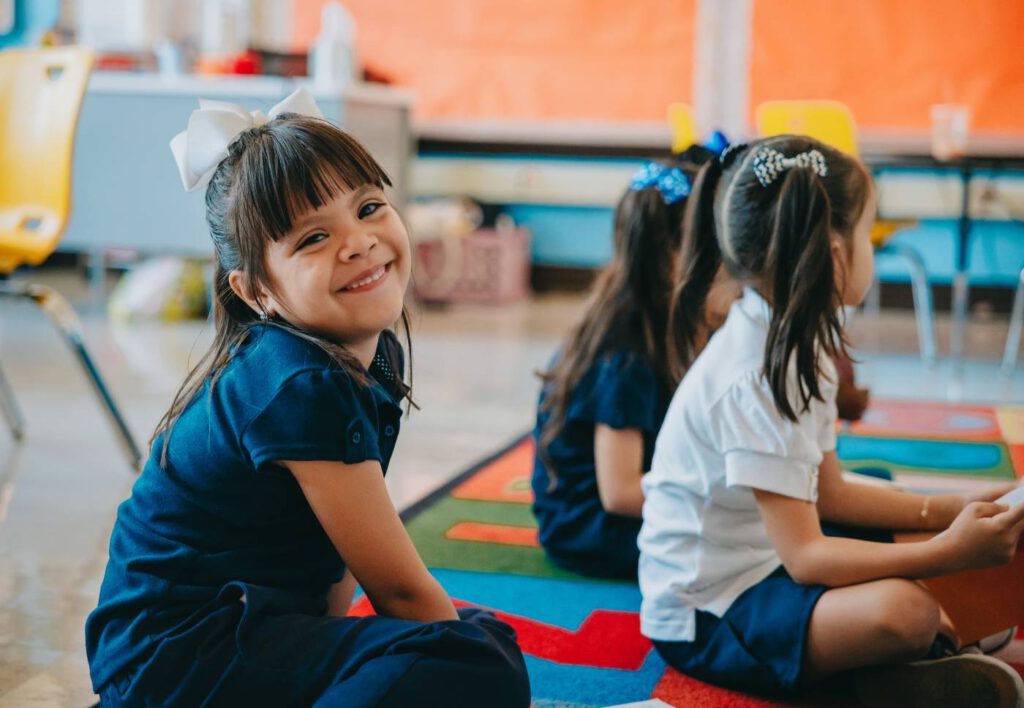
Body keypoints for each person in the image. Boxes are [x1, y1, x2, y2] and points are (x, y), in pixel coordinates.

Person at [85, 89, 530, 707]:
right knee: (476, 657)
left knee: (480, 636)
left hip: (238, 630)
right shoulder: (300, 383)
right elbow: (399, 593)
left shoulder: (372, 352)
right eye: (314, 237)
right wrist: (455, 655)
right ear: (256, 292)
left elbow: (337, 558)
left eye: (369, 207)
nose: (358, 242)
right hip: (173, 659)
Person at [639, 136, 1024, 707]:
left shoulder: (794, 337)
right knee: (906, 612)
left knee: (904, 510)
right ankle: (879, 674)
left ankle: (904, 659)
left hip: (770, 559)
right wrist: (949, 553)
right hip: (709, 610)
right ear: (836, 253)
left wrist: (957, 507)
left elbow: (832, 493)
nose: (873, 248)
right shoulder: (756, 376)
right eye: (869, 232)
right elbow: (808, 558)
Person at [531, 146, 739, 579]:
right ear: (671, 256)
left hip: (647, 503)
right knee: (760, 539)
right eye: (714, 245)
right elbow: (620, 493)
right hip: (594, 529)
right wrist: (731, 500)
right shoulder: (625, 353)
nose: (725, 262)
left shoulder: (667, 318)